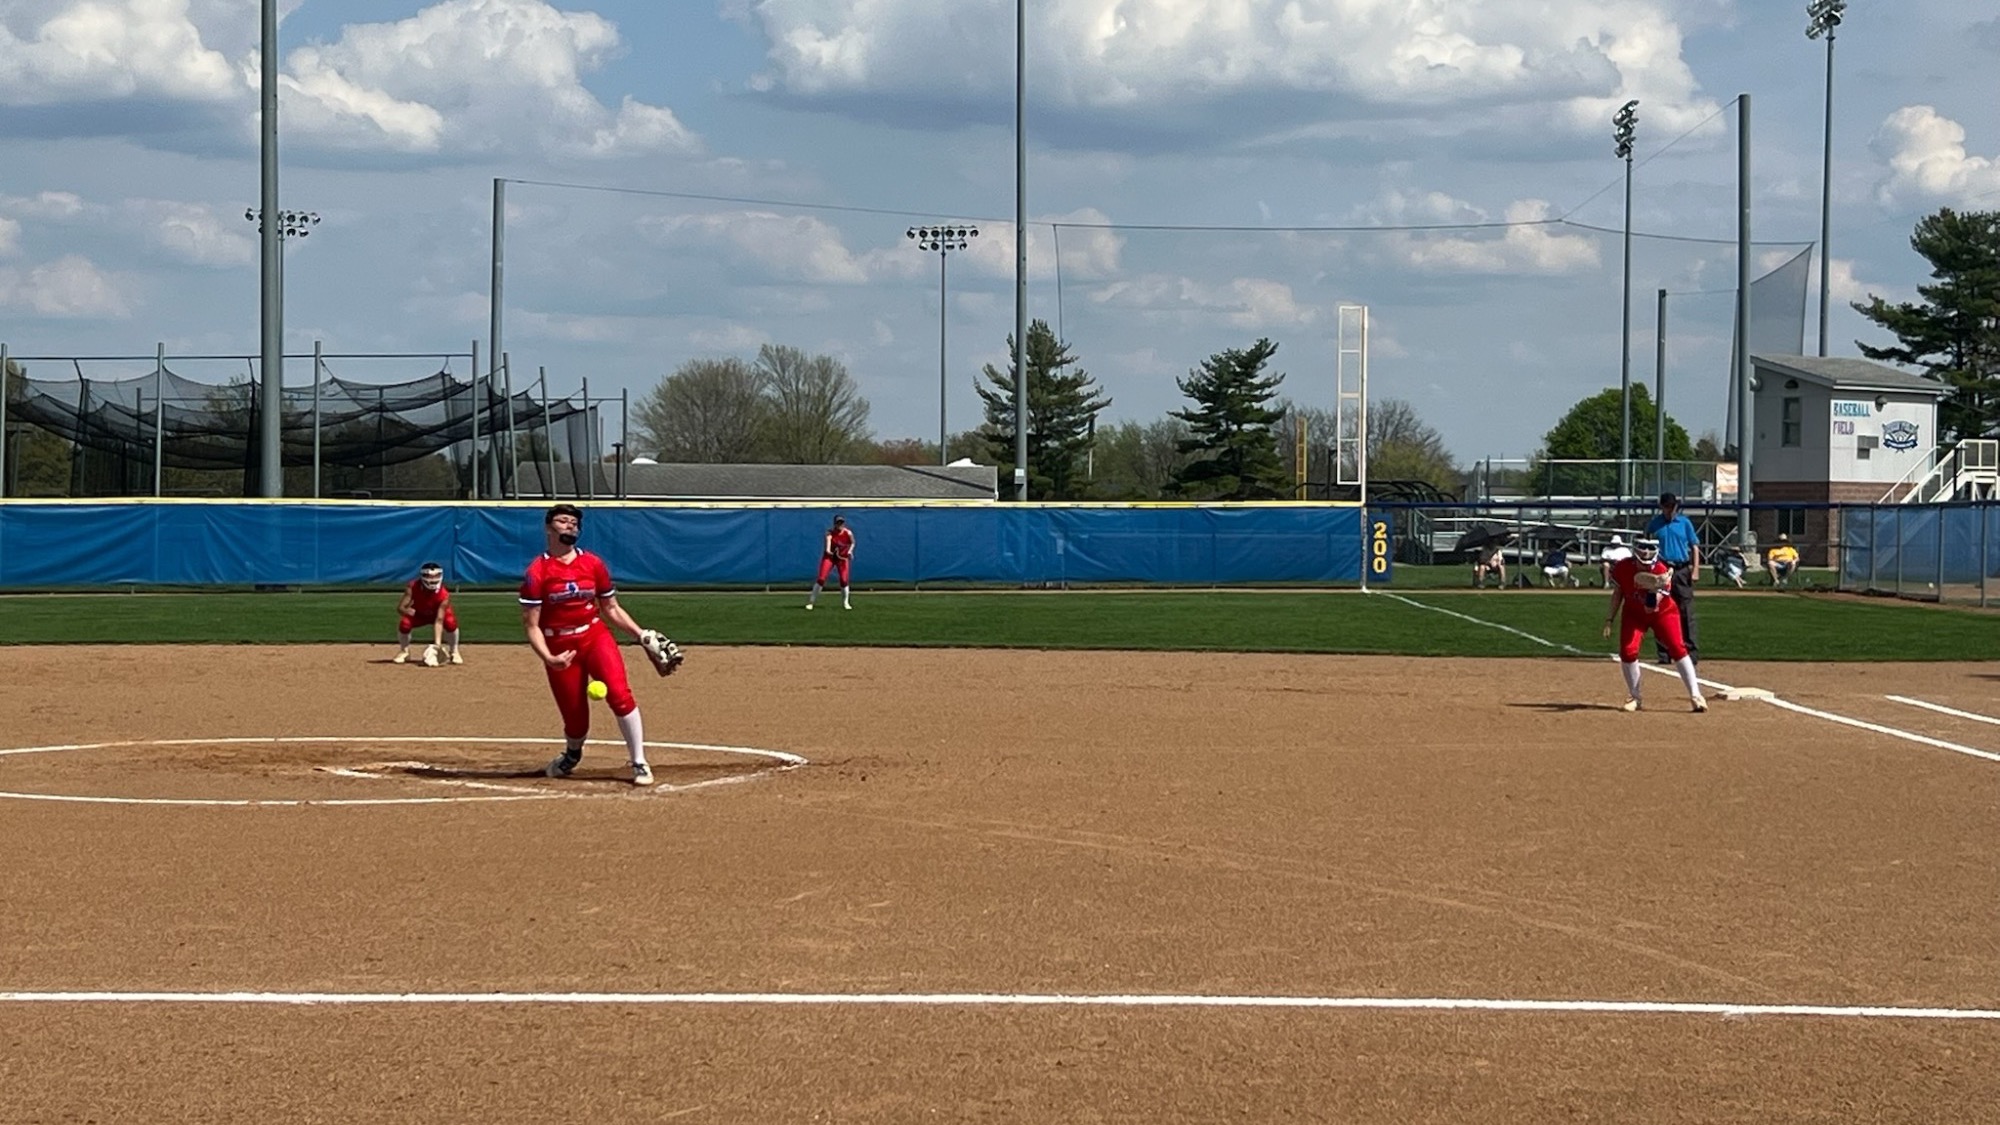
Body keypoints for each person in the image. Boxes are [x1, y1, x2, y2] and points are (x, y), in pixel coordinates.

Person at [519, 503, 682, 787]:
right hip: (559, 645)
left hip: (594, 636)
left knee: (620, 694)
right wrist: (548, 657)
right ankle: (572, 753)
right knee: (575, 719)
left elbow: (611, 608)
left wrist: (641, 635)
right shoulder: (537, 571)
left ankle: (639, 761)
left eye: (574, 522)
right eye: (563, 521)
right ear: (548, 527)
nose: (570, 525)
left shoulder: (593, 564)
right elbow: (532, 625)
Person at [1602, 536, 1707, 713]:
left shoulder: (1661, 570)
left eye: (1649, 549)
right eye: (1642, 548)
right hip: (1634, 613)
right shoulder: (1623, 567)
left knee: (1677, 648)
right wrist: (1609, 619)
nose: (1645, 552)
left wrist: (1654, 588)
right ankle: (1635, 696)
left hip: (1663, 613)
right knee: (1628, 651)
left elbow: (1651, 608)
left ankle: (1696, 695)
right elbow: (1618, 592)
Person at [1644, 492, 1701, 663]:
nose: (1670, 511)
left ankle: (1690, 652)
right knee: (1660, 611)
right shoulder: (1655, 524)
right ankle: (1664, 653)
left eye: (1672, 507)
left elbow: (1694, 546)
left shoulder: (1684, 523)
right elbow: (1646, 544)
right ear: (1661, 507)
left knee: (1685, 611)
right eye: (1666, 507)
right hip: (1661, 569)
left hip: (1681, 569)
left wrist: (1695, 568)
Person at [395, 562, 461, 666]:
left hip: (437, 615)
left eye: (436, 576)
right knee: (405, 623)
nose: (433, 579)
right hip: (420, 613)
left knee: (450, 622)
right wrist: (406, 610)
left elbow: (439, 620)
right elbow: (400, 608)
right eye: (429, 576)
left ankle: (454, 651)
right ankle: (404, 651)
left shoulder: (444, 594)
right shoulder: (413, 587)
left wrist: (437, 645)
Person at [807, 515, 855, 610]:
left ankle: (846, 602)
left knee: (844, 580)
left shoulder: (848, 533)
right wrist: (829, 551)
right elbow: (828, 546)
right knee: (821, 579)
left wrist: (849, 551)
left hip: (842, 558)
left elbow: (853, 542)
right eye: (838, 523)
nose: (840, 525)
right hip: (830, 557)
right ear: (834, 524)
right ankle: (811, 602)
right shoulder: (830, 533)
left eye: (841, 523)